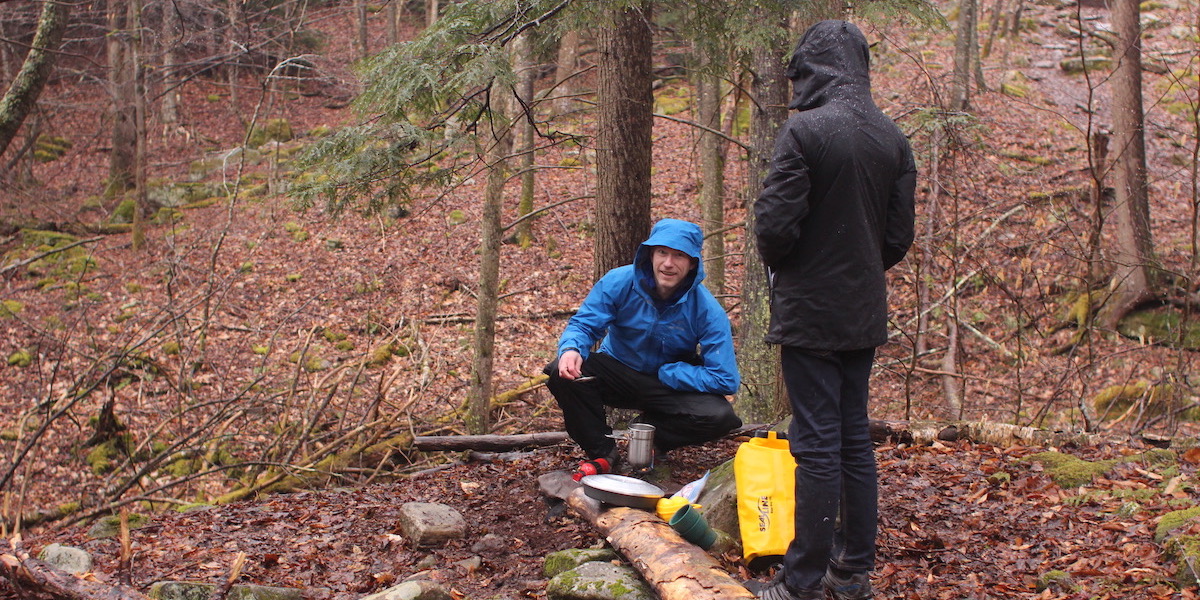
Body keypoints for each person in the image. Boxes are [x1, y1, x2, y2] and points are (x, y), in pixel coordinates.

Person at [751, 20, 917, 600]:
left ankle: (800, 584)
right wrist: (855, 268)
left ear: (814, 69)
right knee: (851, 438)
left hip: (813, 311)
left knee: (818, 442)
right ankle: (851, 574)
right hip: (861, 311)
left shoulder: (805, 134)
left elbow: (772, 228)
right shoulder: (892, 138)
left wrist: (802, 267)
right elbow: (897, 238)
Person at [543, 218, 742, 478]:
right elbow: (584, 325)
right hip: (618, 371)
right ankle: (603, 453)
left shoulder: (707, 309)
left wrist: (672, 374)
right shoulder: (620, 282)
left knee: (721, 417)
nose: (668, 263)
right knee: (561, 371)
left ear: (692, 263)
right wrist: (571, 349)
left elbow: (725, 378)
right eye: (662, 253)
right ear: (650, 254)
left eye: (679, 256)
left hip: (668, 383)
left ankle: (650, 436)